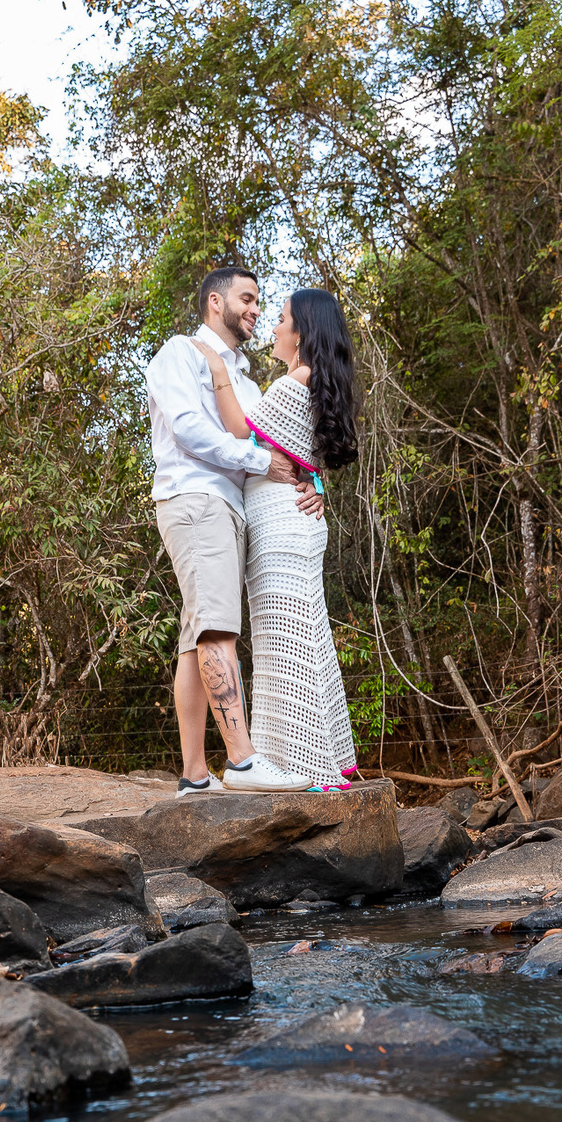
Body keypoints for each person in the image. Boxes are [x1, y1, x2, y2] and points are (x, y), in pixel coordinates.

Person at [145, 266, 323, 795]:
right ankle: (243, 763)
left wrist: (309, 483)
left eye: (259, 302)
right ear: (215, 302)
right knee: (218, 628)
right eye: (246, 298)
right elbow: (188, 427)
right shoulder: (182, 352)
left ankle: (195, 776)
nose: (254, 310)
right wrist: (255, 459)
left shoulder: (244, 380)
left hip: (231, 508)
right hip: (197, 498)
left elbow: (276, 449)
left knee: (197, 635)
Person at [191, 288, 360, 791]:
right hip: (294, 522)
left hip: (283, 528)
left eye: (282, 319)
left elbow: (241, 431)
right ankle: (310, 758)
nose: (274, 326)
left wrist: (219, 371)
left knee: (286, 642)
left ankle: (304, 767)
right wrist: (319, 487)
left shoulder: (294, 382)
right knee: (300, 636)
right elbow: (307, 457)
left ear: (302, 332)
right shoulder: (306, 383)